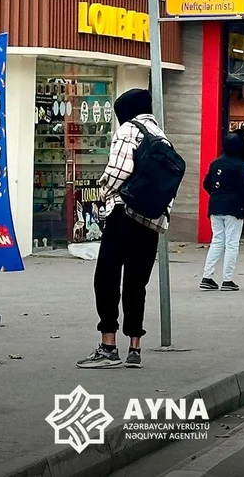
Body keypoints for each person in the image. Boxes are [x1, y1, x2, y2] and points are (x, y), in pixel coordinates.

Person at [76, 89, 173, 369]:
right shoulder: (162, 137)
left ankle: (108, 345)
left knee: (106, 276)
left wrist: (103, 191)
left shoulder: (129, 130)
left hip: (124, 213)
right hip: (151, 220)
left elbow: (117, 172)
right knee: (136, 283)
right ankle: (135, 348)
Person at [201, 132, 244, 291]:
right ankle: (227, 279)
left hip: (215, 207)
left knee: (217, 241)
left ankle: (207, 276)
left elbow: (206, 184)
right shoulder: (240, 165)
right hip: (234, 208)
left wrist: (218, 196)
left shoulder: (215, 162)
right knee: (232, 243)